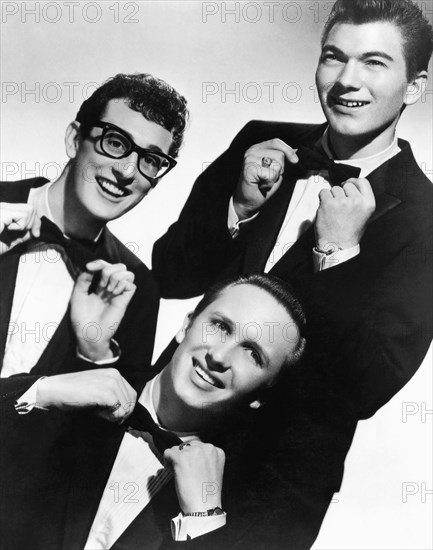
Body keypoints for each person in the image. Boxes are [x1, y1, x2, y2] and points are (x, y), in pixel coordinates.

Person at [152, 0, 433, 547]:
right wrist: (239, 207)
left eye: (374, 63)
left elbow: (369, 385)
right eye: (334, 57)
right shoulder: (262, 140)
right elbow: (171, 274)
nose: (347, 80)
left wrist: (337, 254)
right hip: (165, 421)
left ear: (415, 86)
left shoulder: (427, 219)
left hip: (274, 480)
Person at [0, 271, 307, 550]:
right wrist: (43, 392)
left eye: (252, 353)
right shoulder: (58, 400)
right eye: (220, 326)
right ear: (186, 325)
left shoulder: (236, 512)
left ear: (262, 397)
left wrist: (202, 519)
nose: (218, 355)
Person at [0, 72, 188, 398]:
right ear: (75, 140)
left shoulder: (138, 289)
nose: (128, 171)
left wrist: (95, 353)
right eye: (115, 142)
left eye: (151, 160)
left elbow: (95, 440)